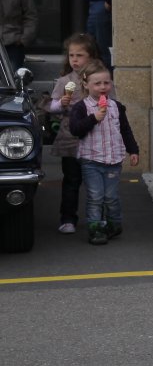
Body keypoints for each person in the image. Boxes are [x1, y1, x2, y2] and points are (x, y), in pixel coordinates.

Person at [67, 61, 139, 245]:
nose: (102, 87)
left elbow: (125, 130)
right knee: (95, 196)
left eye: (106, 82)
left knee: (111, 197)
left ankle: (114, 224)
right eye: (97, 83)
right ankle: (95, 228)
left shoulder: (116, 106)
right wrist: (94, 118)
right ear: (86, 84)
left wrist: (133, 150)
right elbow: (75, 129)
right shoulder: (81, 107)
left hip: (113, 160)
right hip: (91, 160)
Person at [47, 33, 104, 234]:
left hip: (95, 137)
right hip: (70, 138)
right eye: (71, 55)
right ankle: (68, 218)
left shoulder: (100, 79)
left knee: (96, 182)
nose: (75, 60)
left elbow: (112, 103)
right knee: (71, 180)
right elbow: (52, 107)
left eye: (80, 55)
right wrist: (60, 104)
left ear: (91, 57)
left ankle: (97, 218)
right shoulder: (64, 81)